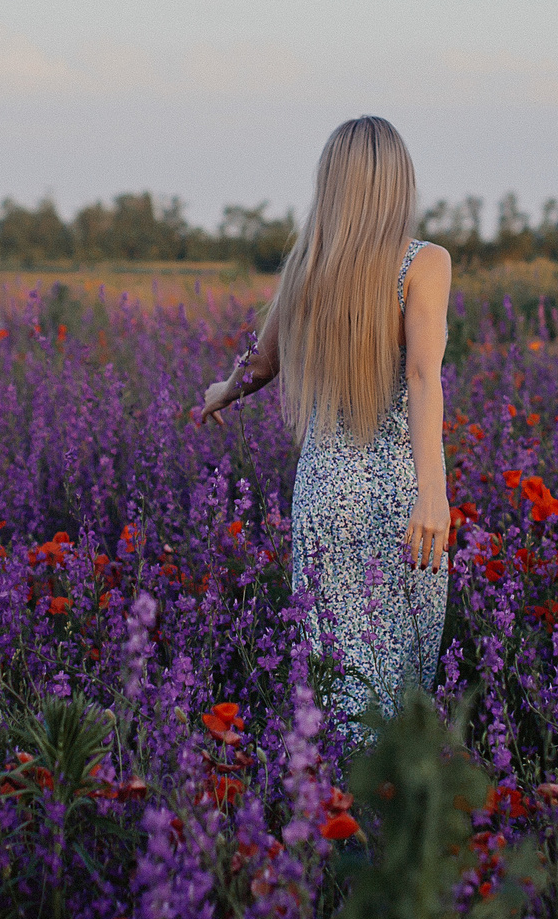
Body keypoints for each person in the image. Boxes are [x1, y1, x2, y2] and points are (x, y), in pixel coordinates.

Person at [194, 116, 452, 726]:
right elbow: (421, 377)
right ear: (398, 184)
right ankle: (391, 814)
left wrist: (220, 393)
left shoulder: (308, 268)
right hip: (399, 497)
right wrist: (434, 494)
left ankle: (334, 807)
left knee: (342, 681)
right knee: (405, 680)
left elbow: (260, 364)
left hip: (323, 495)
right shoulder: (425, 263)